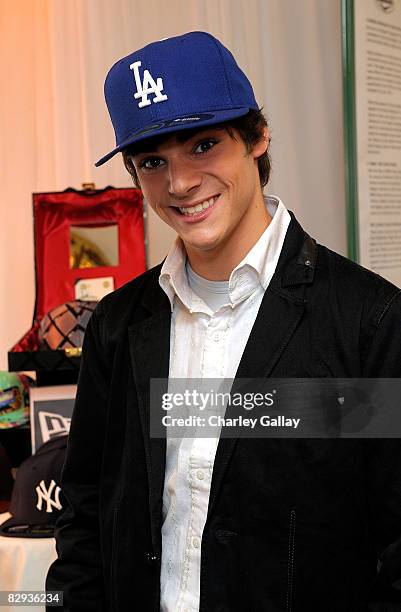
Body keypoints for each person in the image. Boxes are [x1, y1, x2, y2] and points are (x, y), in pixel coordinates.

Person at [46, 31, 401, 611]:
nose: (180, 183)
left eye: (204, 145)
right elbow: (86, 515)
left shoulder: (367, 324)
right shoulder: (117, 325)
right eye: (153, 161)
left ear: (257, 137)